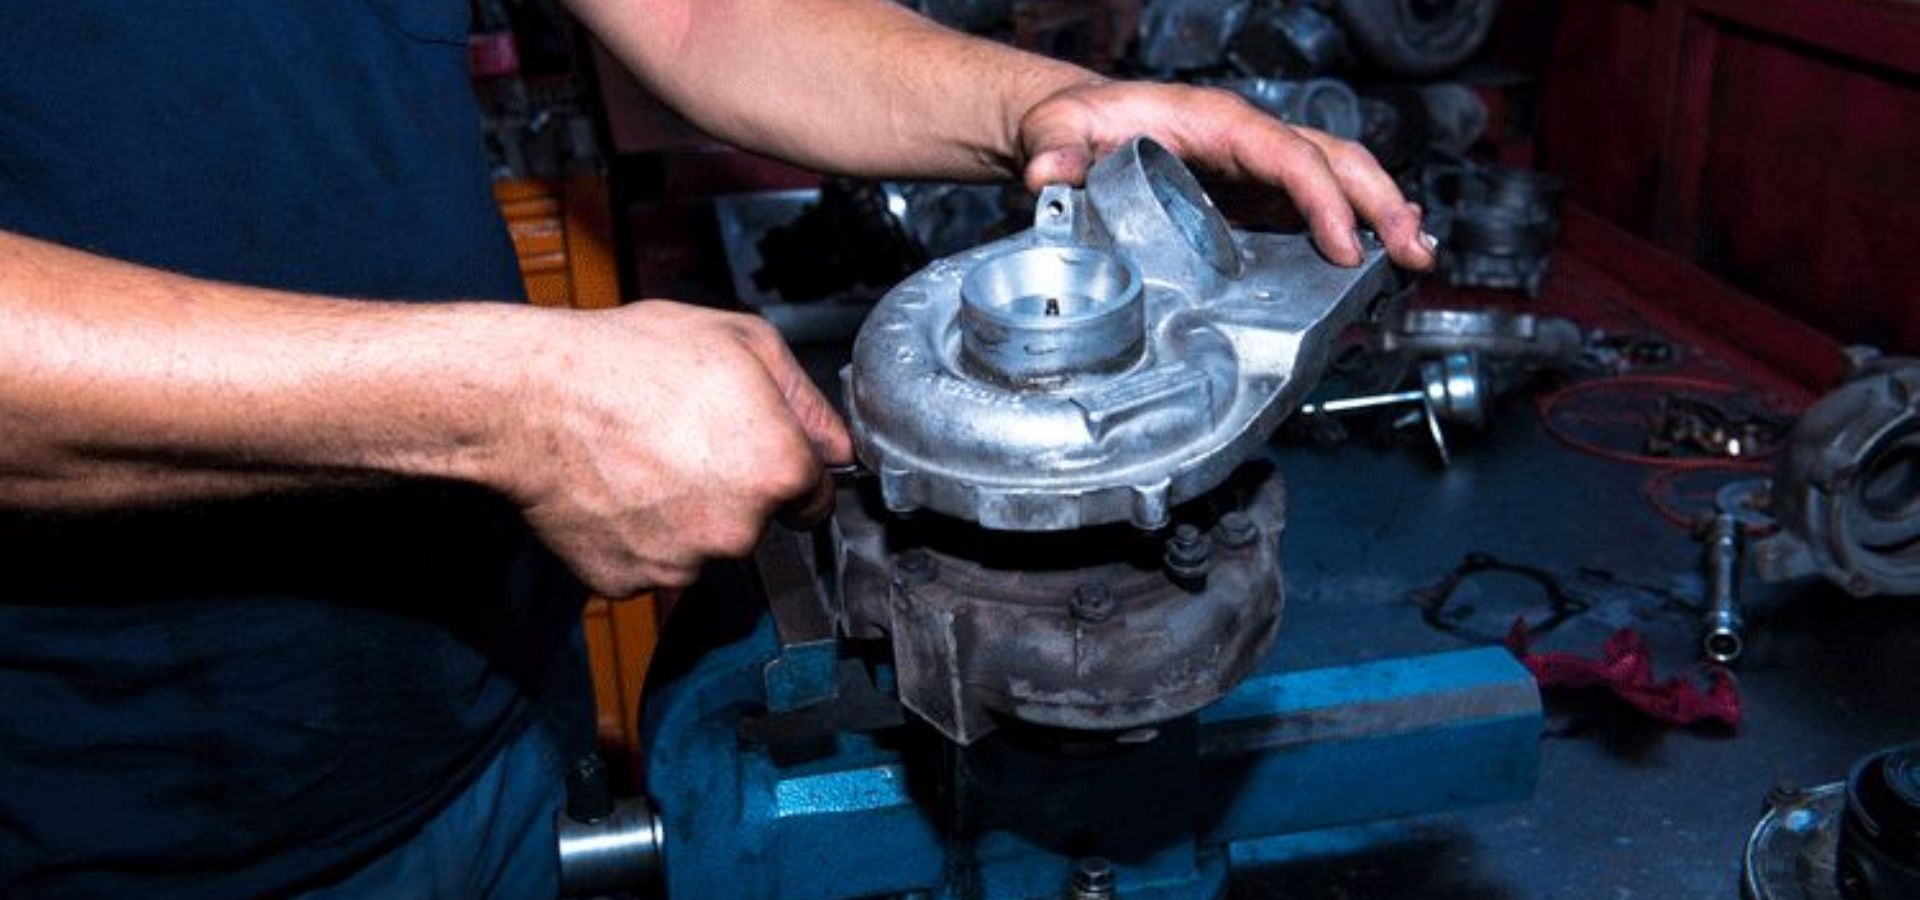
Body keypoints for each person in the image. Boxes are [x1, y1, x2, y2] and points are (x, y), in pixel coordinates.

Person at [0, 1, 1434, 896]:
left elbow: (693, 16)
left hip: (482, 708)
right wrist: (497, 404)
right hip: (114, 804)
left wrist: (1033, 107)